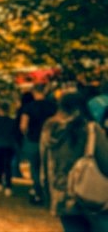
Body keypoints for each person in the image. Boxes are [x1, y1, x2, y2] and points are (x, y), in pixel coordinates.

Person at [40, 92, 108, 232]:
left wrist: (49, 197)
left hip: (62, 198)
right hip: (93, 196)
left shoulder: (49, 131)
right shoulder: (91, 130)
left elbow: (45, 167)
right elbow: (106, 163)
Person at [21, 83, 58, 204]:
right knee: (49, 167)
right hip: (49, 141)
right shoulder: (53, 106)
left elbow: (23, 125)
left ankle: (38, 192)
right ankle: (49, 193)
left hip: (33, 140)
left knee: (35, 167)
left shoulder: (29, 107)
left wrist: (27, 134)